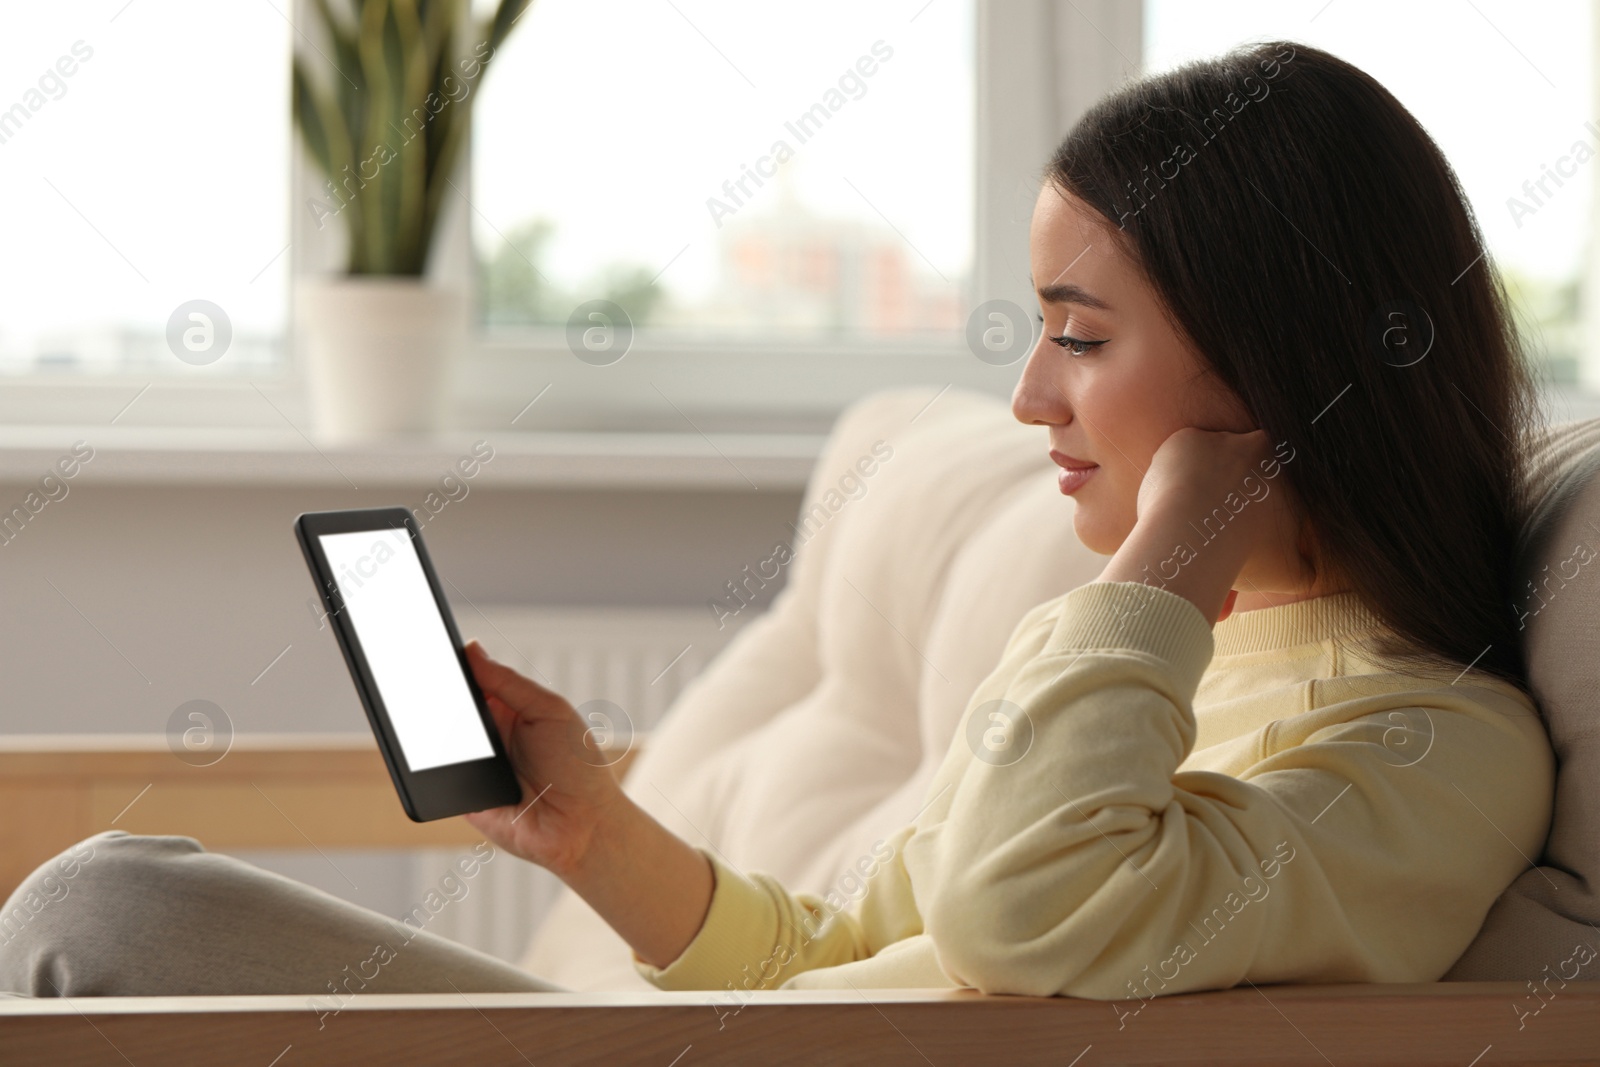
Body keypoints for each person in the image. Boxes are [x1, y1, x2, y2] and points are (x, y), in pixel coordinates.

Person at [0, 39, 1554, 1003]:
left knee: (104, 902)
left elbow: (1024, 918)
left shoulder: (1429, 748)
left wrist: (1159, 570)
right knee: (115, 884)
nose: (1029, 401)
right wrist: (596, 835)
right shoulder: (1140, 662)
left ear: (1281, 366)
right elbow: (840, 952)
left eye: (1080, 337)